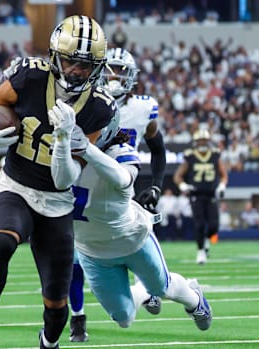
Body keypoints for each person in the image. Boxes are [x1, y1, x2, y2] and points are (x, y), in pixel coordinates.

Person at [0, 15, 115, 349]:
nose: (75, 70)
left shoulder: (99, 109)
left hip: (57, 200)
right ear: (56, 55)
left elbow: (66, 177)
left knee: (57, 305)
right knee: (2, 244)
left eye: (85, 65)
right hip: (16, 185)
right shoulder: (28, 76)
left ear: (98, 68)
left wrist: (62, 141)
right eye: (71, 60)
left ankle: (48, 343)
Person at [50, 115, 212, 332]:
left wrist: (86, 149)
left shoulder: (120, 152)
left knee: (161, 287)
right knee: (124, 317)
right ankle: (144, 291)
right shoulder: (58, 153)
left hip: (132, 239)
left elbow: (122, 179)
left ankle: (194, 299)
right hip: (93, 252)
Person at [67, 46, 168, 342]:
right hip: (81, 185)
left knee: (134, 244)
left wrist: (157, 185)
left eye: (121, 71)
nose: (114, 78)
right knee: (75, 259)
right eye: (109, 70)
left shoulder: (142, 109)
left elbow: (158, 148)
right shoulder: (82, 102)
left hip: (120, 190)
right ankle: (78, 318)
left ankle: (146, 287)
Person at [173, 129, 228, 264]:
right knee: (199, 224)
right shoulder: (190, 156)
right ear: (196, 142)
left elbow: (224, 175)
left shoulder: (215, 155)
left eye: (204, 140)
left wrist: (222, 186)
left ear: (208, 141)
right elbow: (177, 176)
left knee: (214, 226)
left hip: (211, 194)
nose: (202, 143)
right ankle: (201, 251)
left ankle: (207, 240)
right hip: (196, 194)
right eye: (200, 141)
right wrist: (183, 186)